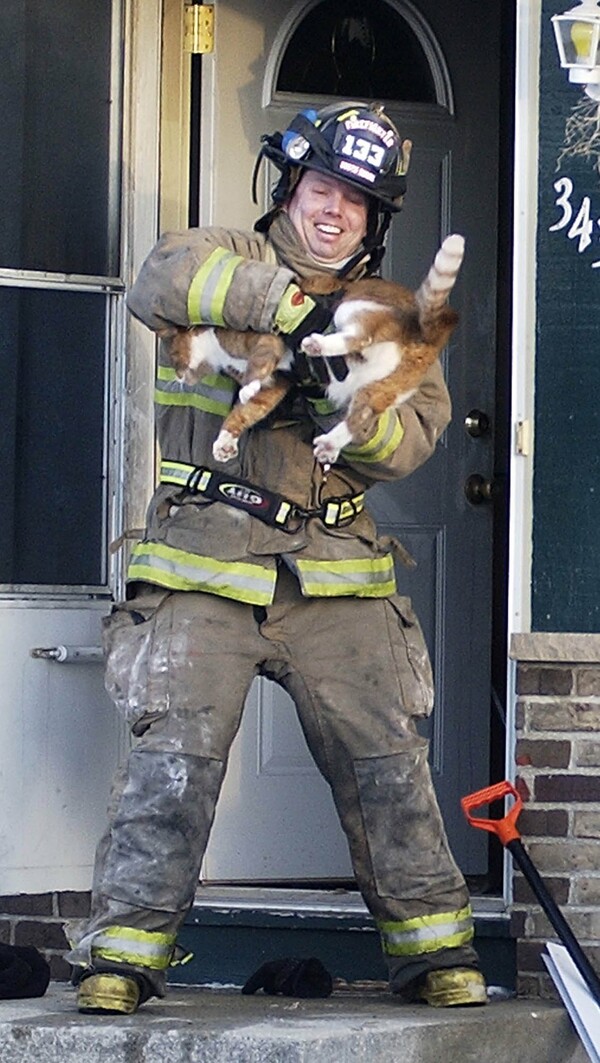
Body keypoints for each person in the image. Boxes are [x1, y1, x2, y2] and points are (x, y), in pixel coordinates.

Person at [67, 101, 487, 1014]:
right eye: (324, 186)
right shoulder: (216, 252)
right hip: (202, 559)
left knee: (388, 766)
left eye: (359, 202)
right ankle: (123, 958)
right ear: (290, 185)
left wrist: (349, 395)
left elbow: (415, 440)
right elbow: (158, 282)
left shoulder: (400, 317)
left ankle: (436, 956)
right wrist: (295, 313)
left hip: (336, 572)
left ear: (377, 223)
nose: (336, 210)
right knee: (173, 764)